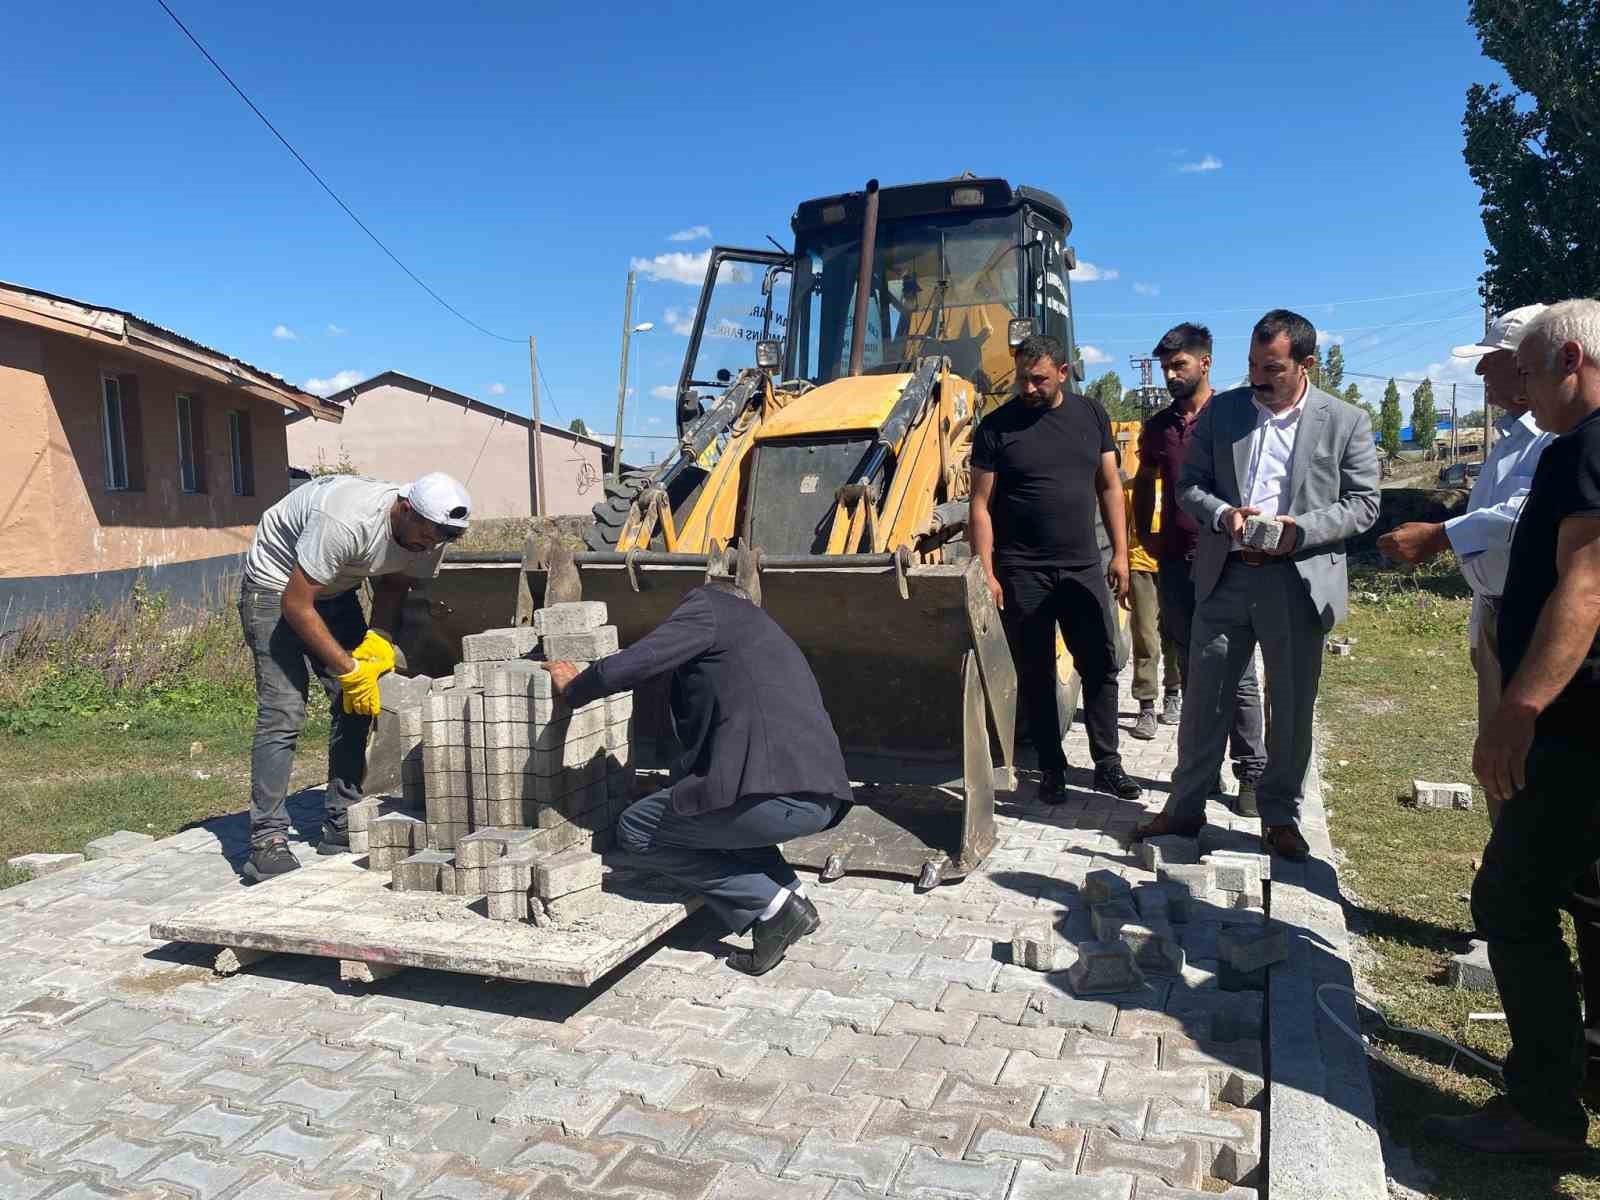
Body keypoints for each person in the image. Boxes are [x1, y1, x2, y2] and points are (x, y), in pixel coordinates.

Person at [1422, 299, 1600, 1158]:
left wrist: (1519, 710)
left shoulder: (1588, 450)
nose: (1520, 389)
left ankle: (1543, 1108)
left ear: (1571, 359)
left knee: (1513, 895)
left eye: (1528, 371)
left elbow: (1588, 586)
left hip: (1576, 724)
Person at [1133, 310, 1379, 860]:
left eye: (1271, 367)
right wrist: (1224, 515)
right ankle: (1185, 808)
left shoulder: (1345, 421)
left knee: (1290, 704)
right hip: (1225, 577)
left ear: (1305, 365)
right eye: (1250, 364)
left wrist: (1302, 531)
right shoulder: (1223, 414)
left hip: (1297, 581)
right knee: (1204, 700)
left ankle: (1280, 816)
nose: (1257, 378)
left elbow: (1364, 506)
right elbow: (1190, 487)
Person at [543, 579, 851, 976]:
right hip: (819, 798)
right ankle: (793, 896)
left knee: (636, 829)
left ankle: (770, 906)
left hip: (772, 795)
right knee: (707, 820)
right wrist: (671, 788)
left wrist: (575, 687)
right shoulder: (764, 637)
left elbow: (635, 661)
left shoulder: (710, 606)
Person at [238, 471, 471, 881]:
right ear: (404, 508)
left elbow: (395, 583)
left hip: (333, 588)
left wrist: (376, 643)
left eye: (437, 540)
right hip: (276, 587)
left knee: (359, 701)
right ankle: (267, 840)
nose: (428, 545)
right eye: (425, 535)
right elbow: (296, 604)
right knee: (284, 711)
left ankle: (341, 818)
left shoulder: (432, 535)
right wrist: (349, 669)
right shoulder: (347, 519)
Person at [1377, 305, 1552, 823]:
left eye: (1490, 360)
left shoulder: (1557, 436)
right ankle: (1511, 867)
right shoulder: (1513, 436)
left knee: (1532, 764)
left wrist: (1440, 536)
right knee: (1500, 767)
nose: (1479, 373)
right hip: (1499, 617)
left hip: (1538, 622)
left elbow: (1526, 513)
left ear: (1525, 364)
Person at [969, 334, 1142, 803]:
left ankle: (1109, 764)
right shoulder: (995, 427)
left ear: (1063, 373)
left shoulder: (1091, 416)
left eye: (1038, 378)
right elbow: (980, 505)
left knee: (1100, 665)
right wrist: (986, 570)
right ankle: (1051, 767)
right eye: (1022, 377)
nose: (1027, 387)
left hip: (1083, 565)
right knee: (1038, 670)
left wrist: (1121, 555)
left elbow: (1110, 486)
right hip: (1024, 569)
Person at [1134, 323, 1267, 804]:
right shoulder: (1159, 427)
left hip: (1229, 561)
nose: (1170, 375)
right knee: (1192, 667)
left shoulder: (1236, 417)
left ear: (1205, 363)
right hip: (1175, 562)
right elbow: (1146, 478)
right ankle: (1203, 769)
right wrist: (1145, 531)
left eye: (1179, 365)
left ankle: (1252, 772)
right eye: (1166, 367)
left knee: (1238, 669)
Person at [1123, 469, 1179, 740]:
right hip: (1140, 567)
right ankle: (1146, 706)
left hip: (1177, 565)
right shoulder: (1130, 488)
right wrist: (1121, 571)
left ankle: (1173, 693)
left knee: (1175, 635)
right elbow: (1120, 531)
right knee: (1146, 637)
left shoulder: (1181, 480)